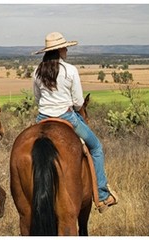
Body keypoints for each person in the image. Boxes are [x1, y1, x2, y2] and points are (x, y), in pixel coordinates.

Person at [32, 32, 118, 213]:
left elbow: (37, 98)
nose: (67, 50)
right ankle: (102, 195)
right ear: (60, 49)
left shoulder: (37, 71)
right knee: (96, 147)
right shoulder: (70, 70)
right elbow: (79, 102)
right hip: (66, 116)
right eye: (65, 47)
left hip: (42, 118)